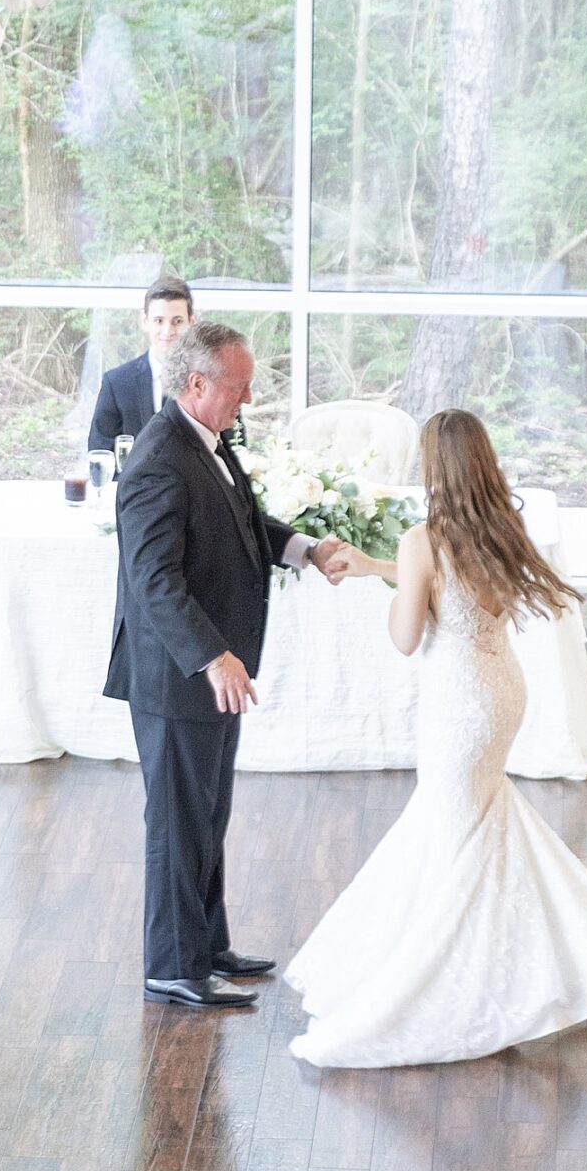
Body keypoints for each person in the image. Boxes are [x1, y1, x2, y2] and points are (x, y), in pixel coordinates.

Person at [284, 407, 587, 1067]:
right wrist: (378, 566)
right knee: (474, 828)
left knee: (453, 843)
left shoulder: (424, 541)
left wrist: (390, 588)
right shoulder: (500, 530)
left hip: (455, 708)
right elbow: (451, 584)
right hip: (501, 694)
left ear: (431, 468)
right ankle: (511, 964)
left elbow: (406, 636)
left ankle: (461, 983)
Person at [105, 321, 345, 1010]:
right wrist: (211, 656)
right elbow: (154, 580)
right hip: (179, 676)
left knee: (207, 815)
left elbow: (242, 520)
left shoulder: (204, 442)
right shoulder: (158, 459)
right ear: (196, 383)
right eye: (237, 388)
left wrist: (302, 547)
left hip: (213, 671)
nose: (246, 400)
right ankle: (172, 965)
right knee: (179, 822)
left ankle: (206, 946)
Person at [90, 277, 195, 452]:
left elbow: (232, 456)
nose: (167, 331)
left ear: (191, 322)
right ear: (145, 321)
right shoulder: (116, 383)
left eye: (177, 321)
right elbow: (100, 453)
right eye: (159, 321)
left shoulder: (213, 383)